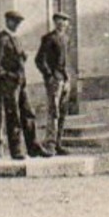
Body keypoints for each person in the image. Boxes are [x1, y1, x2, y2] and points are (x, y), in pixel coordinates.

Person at [0, 11, 45, 160]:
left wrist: (22, 59)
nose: (16, 25)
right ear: (7, 21)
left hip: (20, 82)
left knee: (28, 114)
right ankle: (16, 150)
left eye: (18, 22)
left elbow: (17, 59)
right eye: (14, 22)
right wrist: (7, 76)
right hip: (9, 85)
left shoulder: (16, 39)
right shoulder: (1, 40)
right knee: (13, 117)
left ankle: (33, 147)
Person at [35, 12, 72, 156]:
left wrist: (68, 78)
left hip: (65, 79)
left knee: (62, 112)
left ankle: (58, 143)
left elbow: (66, 60)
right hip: (54, 80)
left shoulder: (66, 39)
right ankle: (49, 144)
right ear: (55, 22)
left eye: (65, 20)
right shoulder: (49, 39)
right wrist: (49, 76)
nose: (62, 23)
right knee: (53, 111)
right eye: (59, 20)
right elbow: (39, 59)